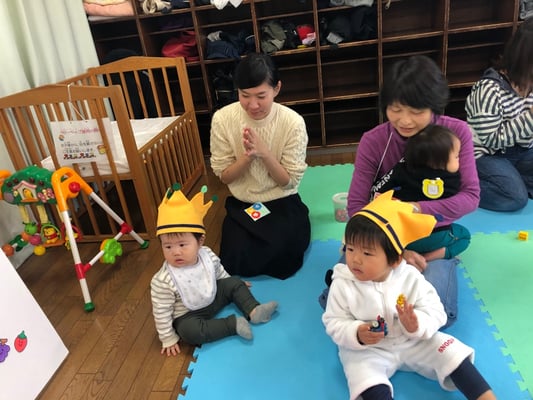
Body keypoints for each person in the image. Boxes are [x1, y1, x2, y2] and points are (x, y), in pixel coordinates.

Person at [343, 55, 480, 325]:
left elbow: (470, 197)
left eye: (416, 112)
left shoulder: (456, 133)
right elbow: (356, 206)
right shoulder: (374, 141)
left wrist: (415, 209)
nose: (404, 120)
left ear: (434, 107)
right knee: (344, 302)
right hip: (383, 237)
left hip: (433, 232)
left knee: (438, 313)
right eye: (395, 109)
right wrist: (395, 252)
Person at [322, 192, 496, 400]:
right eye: (350, 249)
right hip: (369, 351)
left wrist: (416, 323)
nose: (355, 259)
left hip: (414, 341)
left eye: (367, 253)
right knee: (363, 377)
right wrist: (356, 333)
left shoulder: (410, 277)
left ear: (395, 260)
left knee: (453, 353)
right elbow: (334, 322)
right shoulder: (342, 283)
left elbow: (436, 311)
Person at [210, 52, 311, 280]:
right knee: (235, 255)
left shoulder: (292, 122)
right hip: (244, 202)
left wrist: (264, 154)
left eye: (261, 96)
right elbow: (224, 176)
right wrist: (248, 157)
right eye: (245, 95)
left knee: (285, 253)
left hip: (281, 199)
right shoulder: (223, 119)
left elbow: (288, 182)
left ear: (277, 89)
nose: (253, 105)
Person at [150, 184, 278, 356]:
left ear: (200, 242)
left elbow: (218, 271)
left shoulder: (207, 254)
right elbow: (161, 312)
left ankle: (254, 310)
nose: (176, 252)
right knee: (189, 332)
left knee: (234, 281)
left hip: (213, 296)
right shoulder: (163, 280)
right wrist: (167, 338)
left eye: (182, 245)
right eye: (168, 246)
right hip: (188, 314)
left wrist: (231, 283)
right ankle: (232, 325)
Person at [465, 17, 533, 212]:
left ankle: (513, 179)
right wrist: (530, 118)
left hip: (522, 151)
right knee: (514, 197)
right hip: (487, 153)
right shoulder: (489, 89)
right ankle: (460, 185)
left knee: (514, 187)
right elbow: (491, 140)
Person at [377, 124, 470, 261]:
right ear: (442, 161)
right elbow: (462, 200)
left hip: (403, 237)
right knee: (464, 236)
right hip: (437, 236)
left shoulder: (401, 169)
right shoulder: (452, 179)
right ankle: (427, 257)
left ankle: (405, 255)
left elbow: (380, 188)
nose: (459, 160)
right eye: (456, 157)